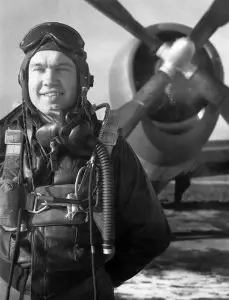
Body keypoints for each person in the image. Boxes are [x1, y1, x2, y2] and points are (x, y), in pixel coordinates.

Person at [0, 22, 173, 300]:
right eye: (39, 68)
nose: (49, 79)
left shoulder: (110, 149)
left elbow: (151, 234)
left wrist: (98, 280)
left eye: (61, 68)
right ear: (24, 79)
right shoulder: (2, 140)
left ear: (81, 80)